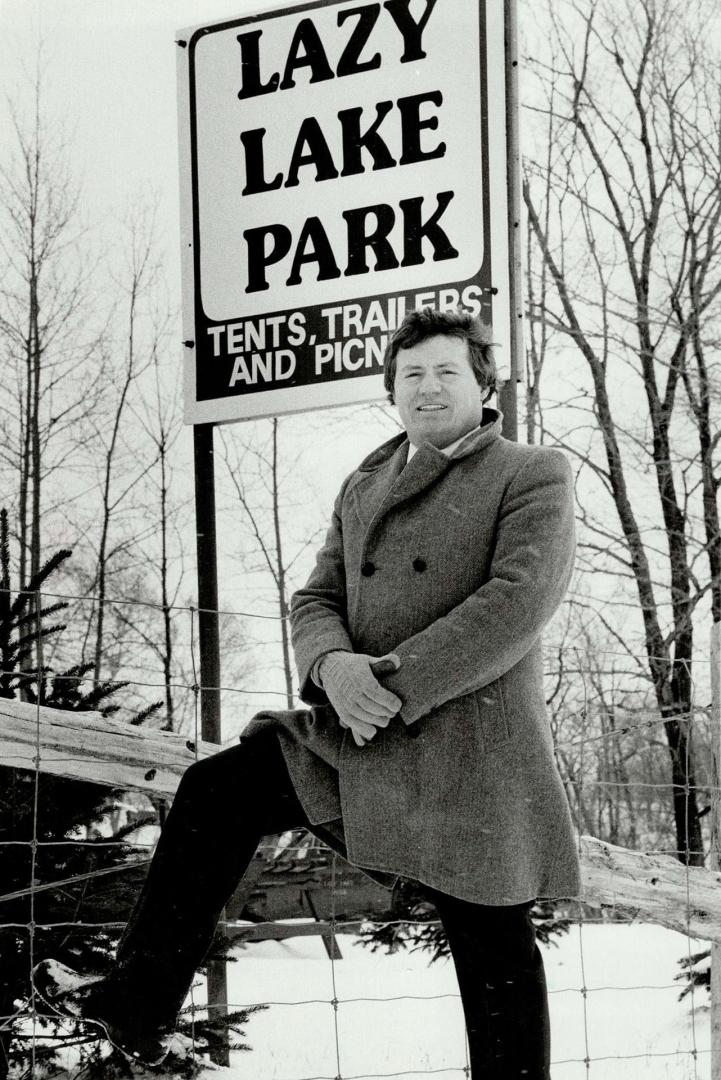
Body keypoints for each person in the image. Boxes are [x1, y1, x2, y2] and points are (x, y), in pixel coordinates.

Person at [35, 306, 579, 1078]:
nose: (427, 388)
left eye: (446, 371)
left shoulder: (531, 473)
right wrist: (332, 669)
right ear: (392, 388)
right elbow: (315, 599)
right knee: (218, 789)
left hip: (472, 746)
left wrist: (386, 685)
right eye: (411, 374)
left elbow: (516, 603)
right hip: (357, 731)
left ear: (481, 381)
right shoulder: (365, 483)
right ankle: (135, 1007)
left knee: (492, 945)